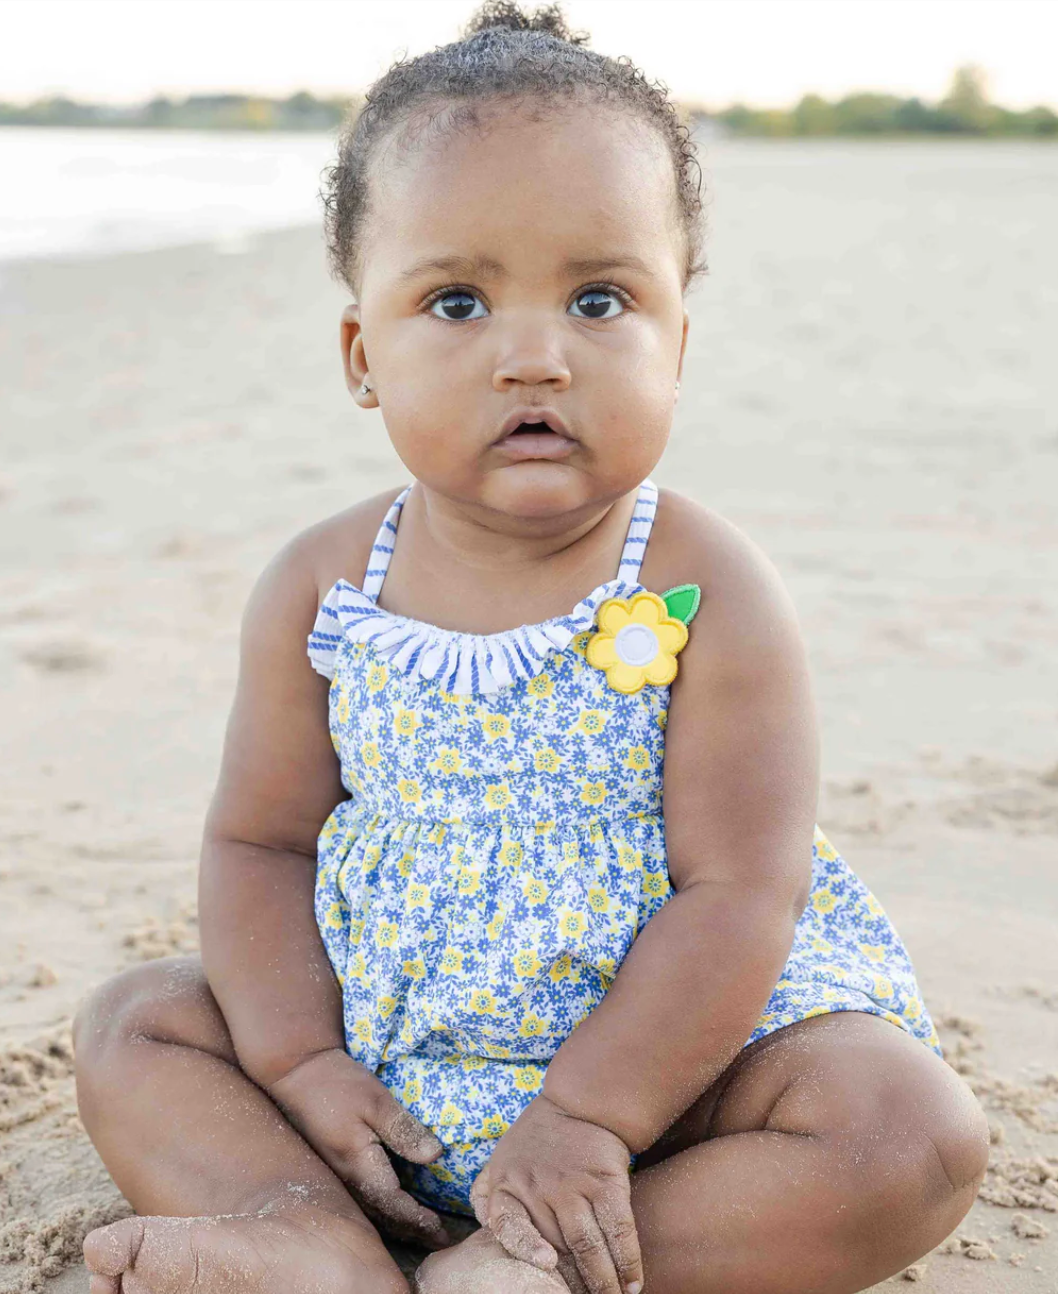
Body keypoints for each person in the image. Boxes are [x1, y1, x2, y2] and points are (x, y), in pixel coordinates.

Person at [72, 4, 989, 1292]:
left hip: (662, 1083)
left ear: (679, 342)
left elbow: (742, 890)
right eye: (457, 300)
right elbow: (259, 843)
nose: (535, 357)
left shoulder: (704, 584)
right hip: (384, 1070)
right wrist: (302, 1067)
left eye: (601, 299)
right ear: (363, 356)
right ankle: (309, 1237)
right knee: (134, 1021)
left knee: (908, 1130)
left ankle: (533, 1268)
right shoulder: (323, 587)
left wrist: (589, 1118)